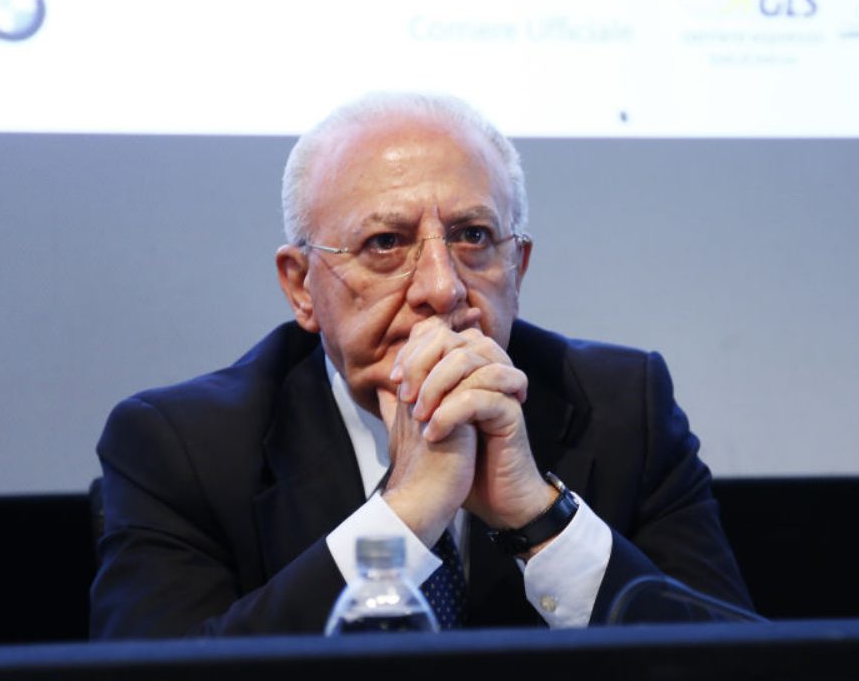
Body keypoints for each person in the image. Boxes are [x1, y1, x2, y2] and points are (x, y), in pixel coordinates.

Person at [89, 91, 754, 638]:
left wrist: (538, 518)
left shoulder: (621, 406)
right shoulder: (182, 446)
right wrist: (403, 515)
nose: (442, 287)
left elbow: (747, 665)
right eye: (385, 242)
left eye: (473, 237)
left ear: (517, 268)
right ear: (301, 287)